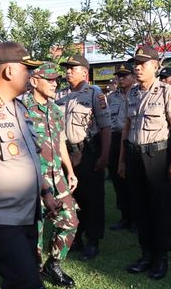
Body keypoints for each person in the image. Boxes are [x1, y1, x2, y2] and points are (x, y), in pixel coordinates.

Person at [0, 41, 60, 289]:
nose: (30, 74)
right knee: (28, 283)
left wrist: (45, 192)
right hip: (0, 221)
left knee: (19, 281)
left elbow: (29, 159)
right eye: (26, 68)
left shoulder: (17, 108)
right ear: (9, 71)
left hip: (25, 215)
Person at [118, 45, 171, 280]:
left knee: (159, 208)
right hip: (134, 155)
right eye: (135, 64)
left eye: (142, 64)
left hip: (158, 156)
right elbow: (126, 127)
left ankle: (161, 256)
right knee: (140, 207)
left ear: (155, 66)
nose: (137, 68)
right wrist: (122, 160)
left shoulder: (168, 91)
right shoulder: (132, 93)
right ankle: (146, 253)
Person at [23, 62, 79, 287]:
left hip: (58, 177)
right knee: (34, 228)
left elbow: (61, 141)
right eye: (50, 79)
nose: (55, 84)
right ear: (35, 81)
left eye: (57, 80)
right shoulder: (21, 108)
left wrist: (70, 170)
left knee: (70, 221)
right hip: (33, 179)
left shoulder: (55, 109)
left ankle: (53, 264)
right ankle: (33, 271)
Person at [55, 54, 111, 261]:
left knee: (92, 199)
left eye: (72, 68)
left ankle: (93, 240)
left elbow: (105, 126)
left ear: (85, 72)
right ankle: (75, 238)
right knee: (70, 198)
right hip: (65, 153)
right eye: (67, 68)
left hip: (87, 151)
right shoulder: (60, 95)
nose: (68, 71)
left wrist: (105, 155)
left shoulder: (95, 94)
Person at [107, 63, 136, 231]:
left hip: (132, 139)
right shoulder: (112, 97)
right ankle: (124, 216)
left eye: (125, 75)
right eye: (119, 75)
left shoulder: (138, 94)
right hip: (115, 140)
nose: (121, 78)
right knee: (118, 180)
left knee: (133, 181)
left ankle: (136, 218)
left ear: (133, 76)